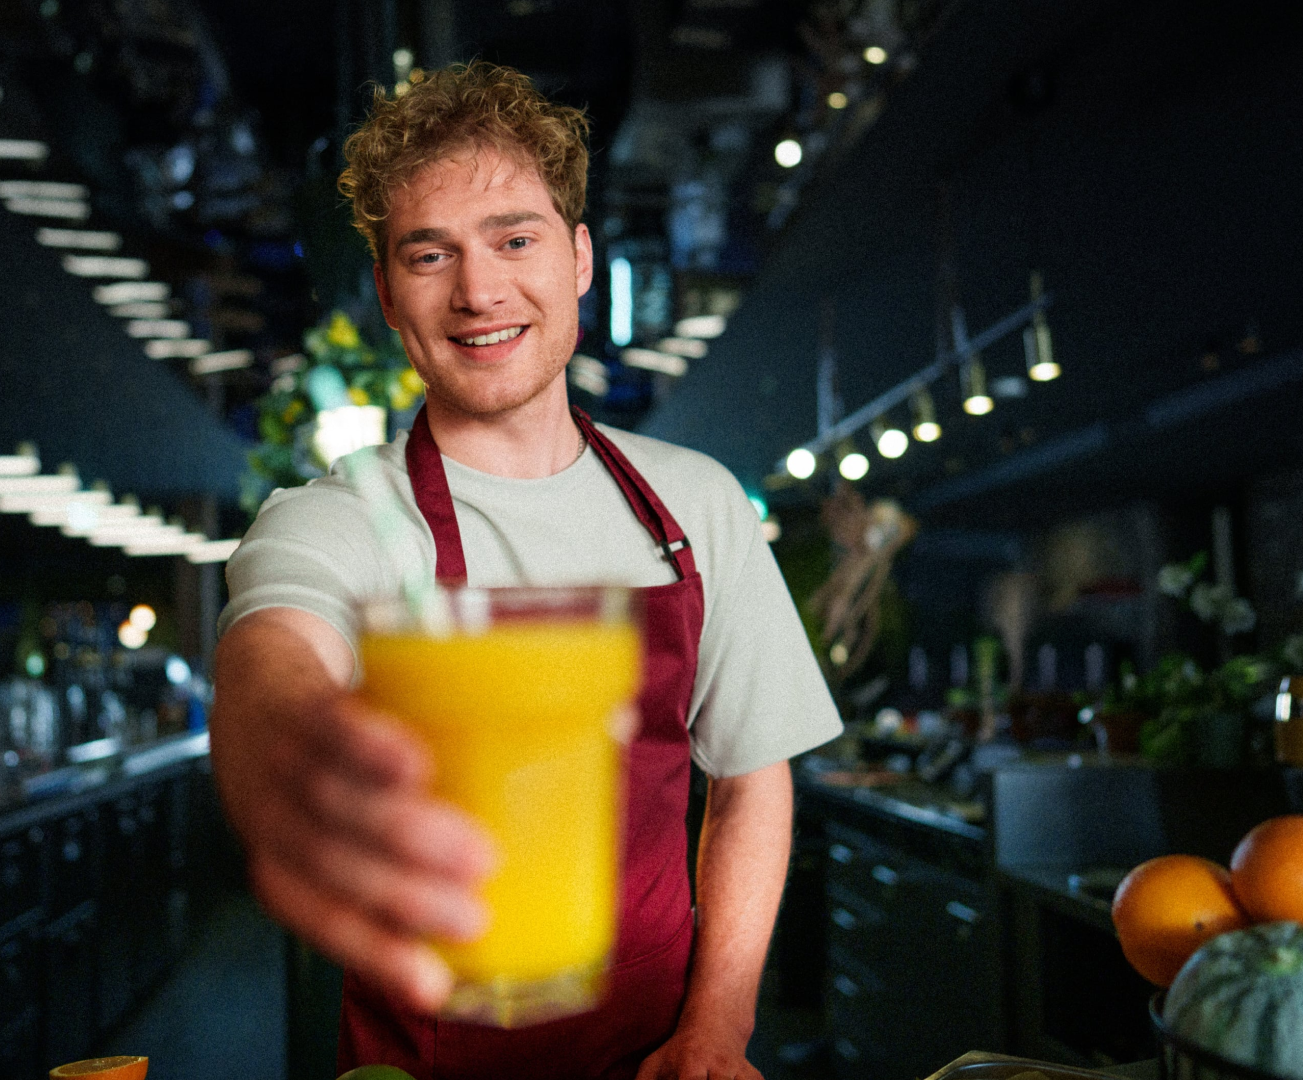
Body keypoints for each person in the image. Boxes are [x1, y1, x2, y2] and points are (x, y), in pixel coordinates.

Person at [209, 61, 841, 1079]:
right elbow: (273, 649)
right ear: (388, 294)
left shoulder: (697, 505)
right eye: (430, 255)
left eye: (515, 239)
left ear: (580, 258)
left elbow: (751, 779)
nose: (479, 291)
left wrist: (716, 1029)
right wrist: (286, 753)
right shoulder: (343, 518)